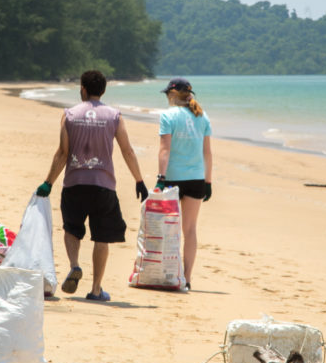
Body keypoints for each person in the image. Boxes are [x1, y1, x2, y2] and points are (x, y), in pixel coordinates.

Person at [37, 70, 149, 302]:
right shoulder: (114, 116)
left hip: (74, 184)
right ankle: (96, 289)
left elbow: (62, 153)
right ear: (103, 90)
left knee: (71, 229)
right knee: (102, 237)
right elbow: (127, 150)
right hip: (103, 186)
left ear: (83, 89)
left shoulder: (69, 115)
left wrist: (48, 182)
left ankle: (75, 265)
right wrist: (139, 180)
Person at [156, 78, 212, 291]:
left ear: (172, 94)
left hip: (171, 178)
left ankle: (167, 273)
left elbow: (164, 150)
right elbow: (207, 153)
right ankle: (186, 279)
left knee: (166, 229)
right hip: (197, 179)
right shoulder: (202, 116)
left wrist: (161, 178)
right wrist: (208, 182)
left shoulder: (168, 116)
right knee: (190, 230)